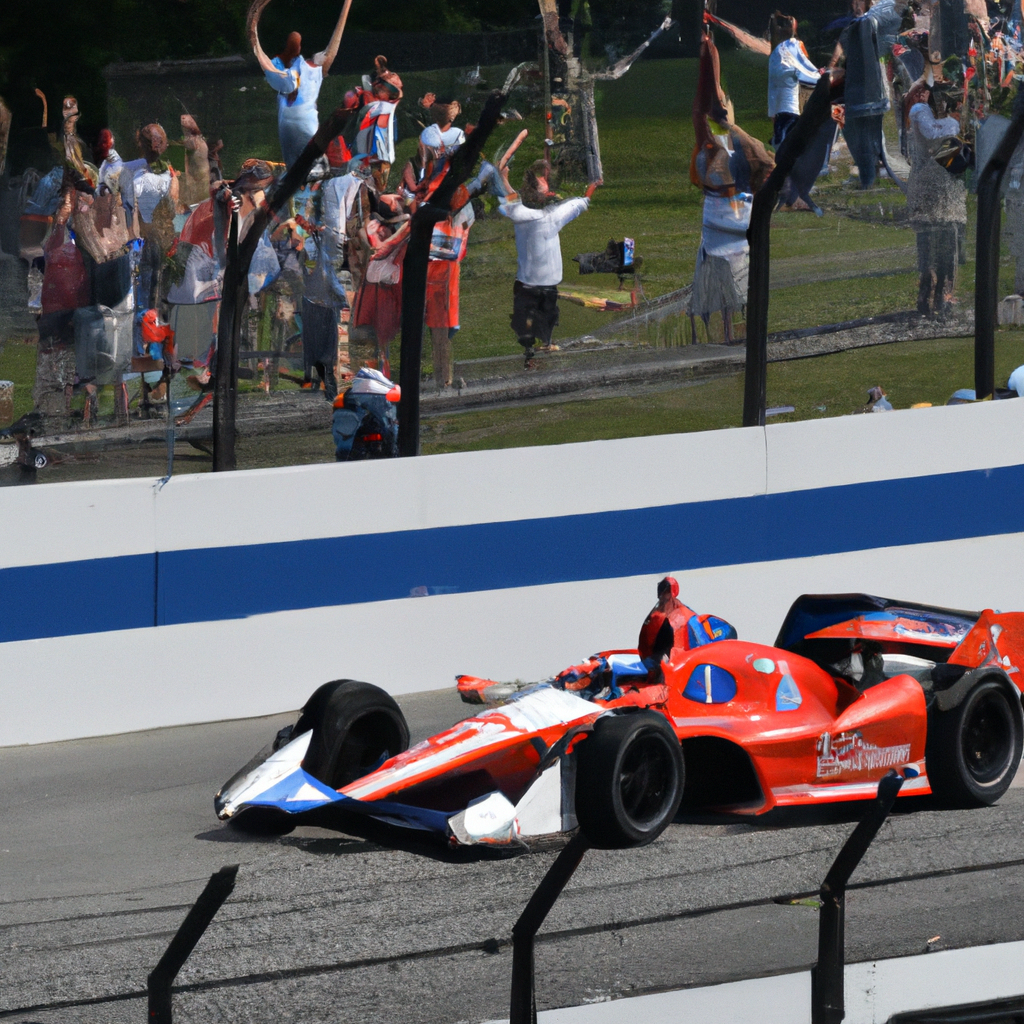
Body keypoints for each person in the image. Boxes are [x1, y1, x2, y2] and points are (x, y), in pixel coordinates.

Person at [688, 31, 775, 343]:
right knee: (720, 278)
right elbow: (705, 101)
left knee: (735, 278)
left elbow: (766, 163)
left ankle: (740, 331)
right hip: (719, 215)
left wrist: (710, 53)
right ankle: (725, 331)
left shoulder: (735, 144)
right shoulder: (715, 142)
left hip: (731, 216)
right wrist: (707, 52)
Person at [498, 160, 599, 368]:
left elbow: (511, 199)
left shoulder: (517, 212)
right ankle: (545, 345)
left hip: (525, 281)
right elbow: (578, 205)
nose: (549, 187)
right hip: (546, 282)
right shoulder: (550, 217)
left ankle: (530, 353)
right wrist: (591, 189)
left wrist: (504, 178)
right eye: (545, 185)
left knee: (525, 320)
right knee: (548, 315)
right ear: (539, 195)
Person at [249, 1, 349, 169]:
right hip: (301, 132)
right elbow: (265, 62)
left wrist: (253, 31)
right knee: (303, 169)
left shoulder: (304, 71)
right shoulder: (291, 72)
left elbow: (331, 50)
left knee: (304, 169)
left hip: (301, 132)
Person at [833, 0, 910, 188]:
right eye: (853, 2)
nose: (855, 5)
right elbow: (839, 54)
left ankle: (871, 175)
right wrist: (833, 66)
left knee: (872, 137)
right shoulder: (851, 25)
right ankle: (866, 171)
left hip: (873, 91)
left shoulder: (875, 21)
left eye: (860, 2)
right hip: (850, 90)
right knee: (851, 132)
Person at [905, 80, 966, 315]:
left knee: (946, 242)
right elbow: (938, 146)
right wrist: (955, 125)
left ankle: (942, 294)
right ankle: (928, 293)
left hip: (944, 192)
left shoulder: (943, 125)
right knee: (930, 242)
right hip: (931, 190)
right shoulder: (922, 114)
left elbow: (951, 161)